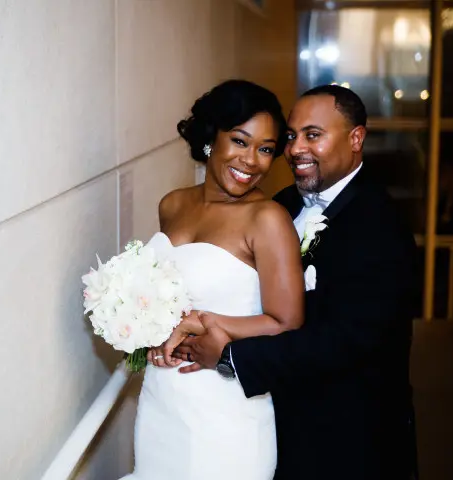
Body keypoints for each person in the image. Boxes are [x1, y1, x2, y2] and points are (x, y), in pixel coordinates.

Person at [172, 85, 419, 479]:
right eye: (291, 136)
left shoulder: (380, 226)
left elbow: (346, 340)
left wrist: (231, 356)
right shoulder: (282, 204)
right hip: (276, 426)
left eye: (313, 135)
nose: (296, 148)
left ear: (356, 139)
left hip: (350, 443)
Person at [120, 80, 305, 480]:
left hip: (226, 411)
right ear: (211, 138)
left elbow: (287, 323)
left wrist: (203, 321)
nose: (252, 160)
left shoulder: (268, 220)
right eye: (240, 141)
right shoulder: (172, 204)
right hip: (162, 403)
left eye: (266, 149)